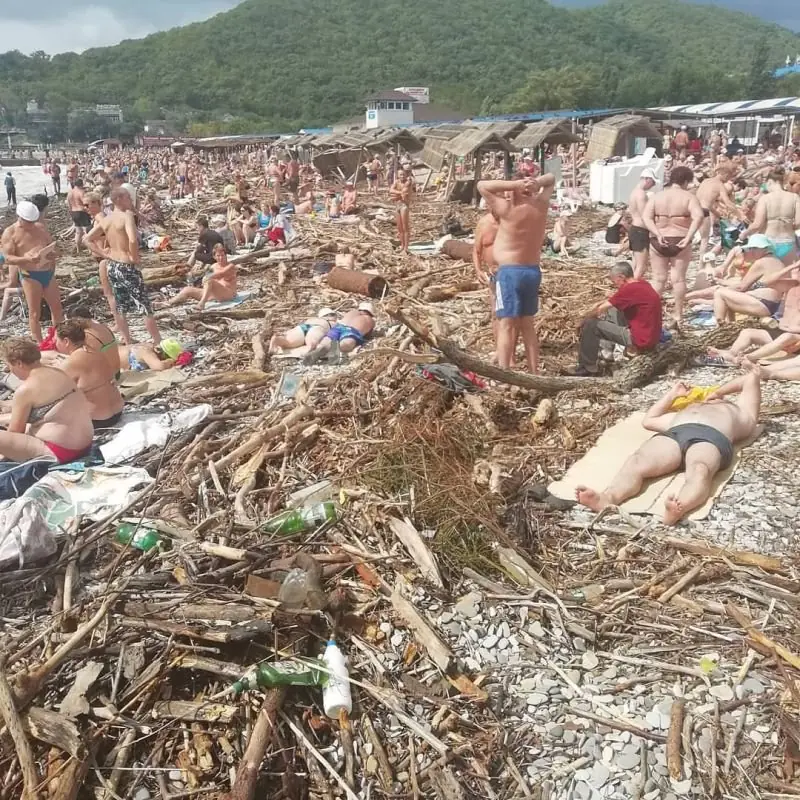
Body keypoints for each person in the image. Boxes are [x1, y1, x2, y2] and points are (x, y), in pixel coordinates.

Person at [575, 370, 761, 525]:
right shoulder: (683, 411)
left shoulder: (742, 413)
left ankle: (679, 507)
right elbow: (649, 420)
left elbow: (750, 378)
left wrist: (718, 393)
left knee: (700, 469)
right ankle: (608, 498)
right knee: (637, 461)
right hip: (676, 432)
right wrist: (673, 395)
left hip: (712, 436)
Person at [477, 173, 556, 373]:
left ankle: (504, 373)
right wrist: (536, 182)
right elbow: (553, 178)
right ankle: (534, 371)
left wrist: (514, 184)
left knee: (506, 324)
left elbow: (482, 185)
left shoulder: (508, 208)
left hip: (510, 273)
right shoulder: (540, 206)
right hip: (532, 271)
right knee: (527, 325)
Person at [84, 187, 161, 346]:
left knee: (120, 306)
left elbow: (86, 239)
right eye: (127, 198)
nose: (131, 201)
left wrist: (104, 254)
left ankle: (127, 340)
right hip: (126, 265)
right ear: (118, 199)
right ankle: (157, 340)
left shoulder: (107, 219)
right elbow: (132, 239)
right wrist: (134, 257)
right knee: (144, 305)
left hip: (113, 265)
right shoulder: (127, 216)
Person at [0, 337, 93, 464]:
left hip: (61, 451)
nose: (10, 371)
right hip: (85, 443)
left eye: (9, 366)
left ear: (19, 363)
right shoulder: (59, 372)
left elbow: (15, 433)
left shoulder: (25, 389)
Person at [571, 262, 663, 376]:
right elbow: (617, 302)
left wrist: (582, 321)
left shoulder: (629, 290)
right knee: (615, 309)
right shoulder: (643, 284)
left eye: (615, 282)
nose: (615, 285)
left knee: (591, 324)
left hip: (640, 339)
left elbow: (600, 309)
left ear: (622, 277)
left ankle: (587, 367)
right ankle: (607, 352)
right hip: (653, 336)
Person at [642, 166, 704, 326]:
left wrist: (657, 233)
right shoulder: (689, 197)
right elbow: (698, 217)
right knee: (678, 279)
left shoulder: (657, 196)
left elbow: (646, 217)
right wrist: (689, 236)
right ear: (685, 181)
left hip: (659, 239)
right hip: (680, 238)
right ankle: (678, 314)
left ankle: (651, 314)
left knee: (658, 279)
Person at [1, 201, 63, 342]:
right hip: (30, 276)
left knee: (57, 308)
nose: (31, 225)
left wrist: (53, 254)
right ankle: (40, 344)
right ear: (20, 217)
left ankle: (58, 339)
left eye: (33, 221)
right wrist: (26, 259)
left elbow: (53, 247)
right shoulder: (10, 233)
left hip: (47, 272)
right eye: (28, 222)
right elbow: (7, 258)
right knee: (35, 313)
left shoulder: (40, 227)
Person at [54, 320, 124, 430]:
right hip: (118, 411)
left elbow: (54, 392)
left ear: (66, 341)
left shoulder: (71, 363)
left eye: (56, 340)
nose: (55, 343)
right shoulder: (96, 352)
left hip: (98, 419)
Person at [711, 235, 794, 323]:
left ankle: (721, 327)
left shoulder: (760, 263)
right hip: (774, 305)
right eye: (750, 248)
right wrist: (724, 284)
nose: (751, 251)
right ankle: (730, 325)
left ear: (765, 248)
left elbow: (742, 287)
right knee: (728, 296)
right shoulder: (778, 262)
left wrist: (721, 285)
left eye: (755, 248)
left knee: (719, 293)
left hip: (762, 304)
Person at [741, 168, 800, 264]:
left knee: (770, 274)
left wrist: (744, 234)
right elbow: (798, 222)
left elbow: (757, 224)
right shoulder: (794, 197)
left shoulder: (765, 199)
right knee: (789, 274)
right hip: (788, 241)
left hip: (770, 241)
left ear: (770, 182)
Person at [169, 244, 238, 310]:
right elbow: (206, 276)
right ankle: (169, 303)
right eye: (218, 256)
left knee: (209, 279)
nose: (221, 258)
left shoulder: (230, 266)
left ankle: (202, 303)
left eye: (223, 255)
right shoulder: (213, 266)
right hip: (215, 294)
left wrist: (207, 277)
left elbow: (220, 274)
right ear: (214, 257)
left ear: (226, 256)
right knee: (187, 289)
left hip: (228, 294)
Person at [304, 303, 376, 364]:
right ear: (371, 313)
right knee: (346, 344)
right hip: (351, 331)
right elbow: (368, 335)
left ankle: (320, 348)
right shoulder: (369, 319)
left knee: (326, 341)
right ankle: (330, 349)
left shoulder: (353, 311)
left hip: (339, 327)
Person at [695, 164, 739, 262]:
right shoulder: (719, 185)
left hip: (694, 209)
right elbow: (728, 203)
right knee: (704, 239)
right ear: (725, 174)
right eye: (728, 177)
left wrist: (719, 215)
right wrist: (741, 215)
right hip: (704, 211)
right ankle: (701, 265)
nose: (727, 180)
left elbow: (707, 202)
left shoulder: (705, 181)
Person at [627, 168, 657, 279]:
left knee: (635, 264)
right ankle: (631, 291)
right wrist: (655, 232)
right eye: (652, 182)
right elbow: (645, 217)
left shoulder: (634, 192)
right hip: (640, 231)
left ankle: (629, 288)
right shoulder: (641, 194)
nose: (653, 185)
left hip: (635, 229)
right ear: (647, 179)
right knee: (641, 266)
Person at [269, 308, 339, 353]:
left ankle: (277, 340)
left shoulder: (313, 319)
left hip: (303, 327)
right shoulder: (333, 322)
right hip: (317, 328)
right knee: (313, 342)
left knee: (288, 342)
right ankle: (311, 349)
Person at [389, 170, 414, 253]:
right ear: (398, 175)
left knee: (405, 227)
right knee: (399, 228)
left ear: (406, 175)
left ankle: (406, 248)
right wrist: (399, 194)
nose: (402, 176)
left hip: (404, 206)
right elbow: (391, 191)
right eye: (400, 174)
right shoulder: (396, 182)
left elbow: (405, 193)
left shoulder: (408, 183)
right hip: (397, 206)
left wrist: (395, 196)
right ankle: (402, 246)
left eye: (403, 174)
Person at [66, 179, 92, 254]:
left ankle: (78, 249)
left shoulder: (70, 192)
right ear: (81, 184)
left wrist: (70, 212)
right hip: (81, 212)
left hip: (73, 212)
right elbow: (85, 203)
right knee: (86, 231)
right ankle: (90, 249)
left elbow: (68, 204)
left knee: (78, 232)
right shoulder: (81, 192)